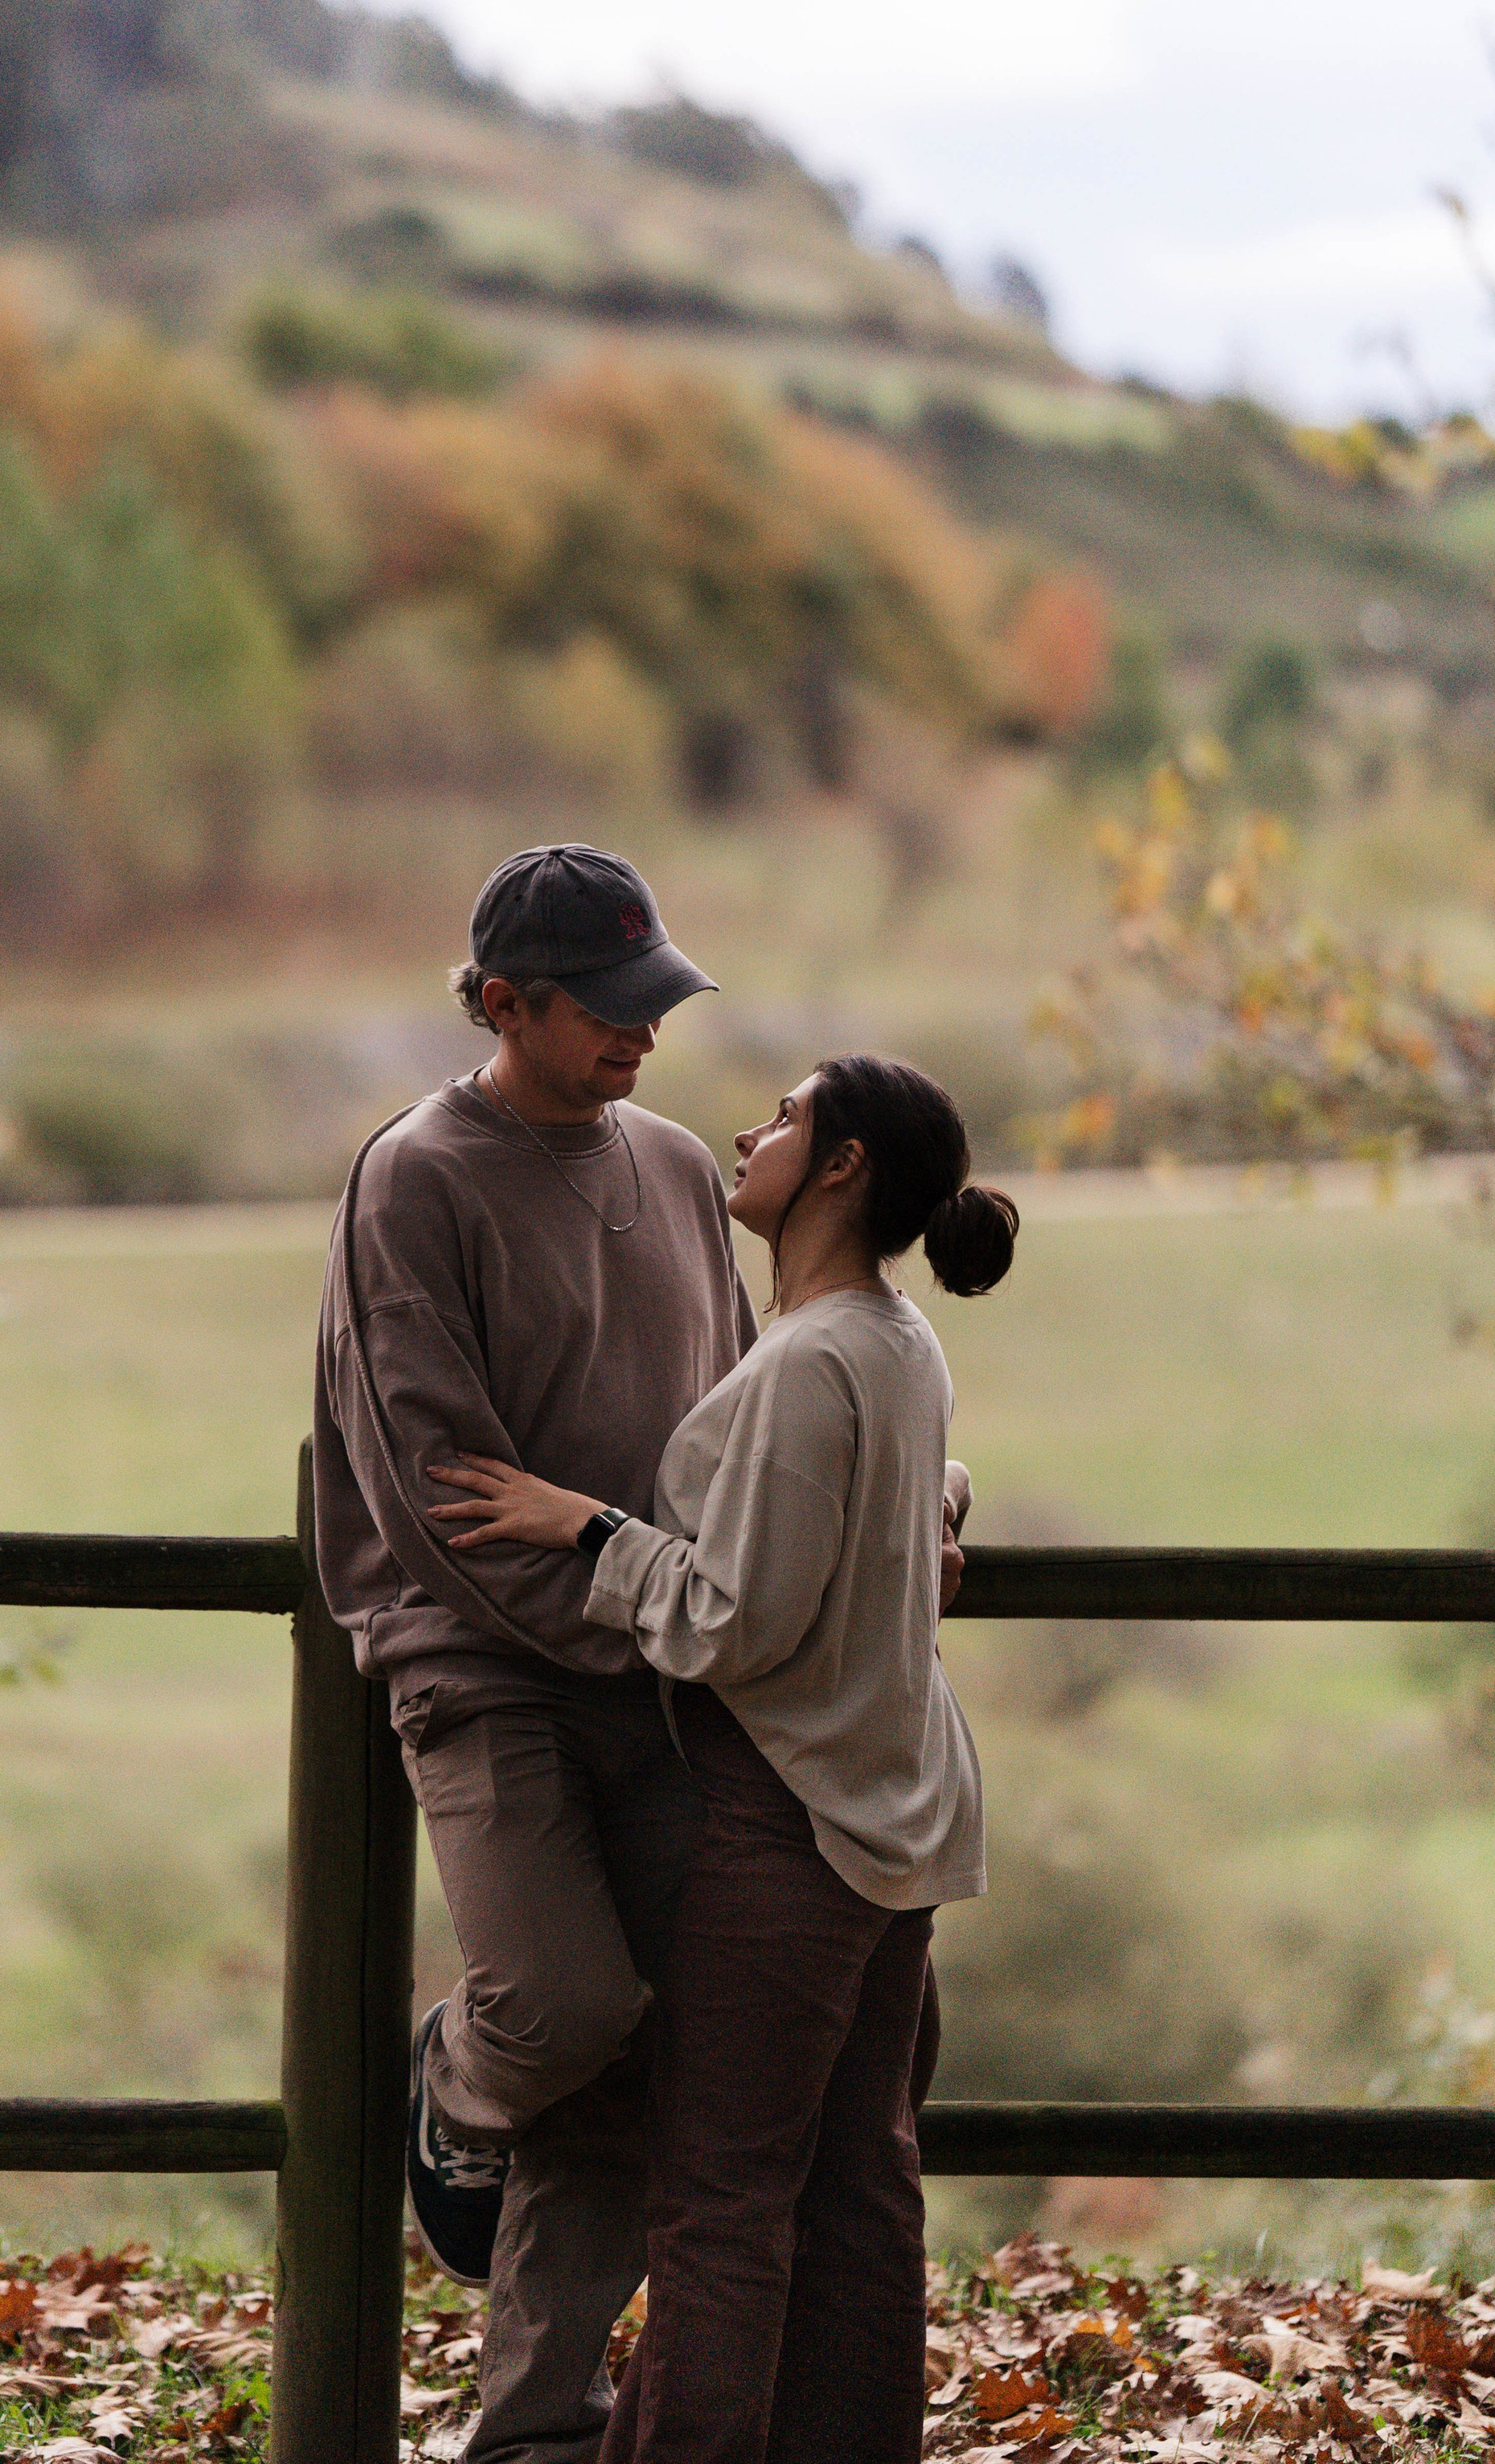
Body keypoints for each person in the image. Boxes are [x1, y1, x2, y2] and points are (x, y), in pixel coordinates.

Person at [428, 1055, 1014, 2464]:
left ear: (842, 1167)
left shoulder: (815, 1359)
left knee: (721, 2203)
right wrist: (929, 1502)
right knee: (859, 2192)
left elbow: (733, 1623)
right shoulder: (893, 1338)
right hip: (902, 1817)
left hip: (794, 1828)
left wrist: (580, 1525)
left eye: (786, 1117)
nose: (749, 1134)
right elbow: (880, 1487)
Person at [313, 843, 756, 2464]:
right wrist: (650, 1611)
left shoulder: (667, 1168)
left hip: (661, 1658)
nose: (642, 1034)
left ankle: (534, 2436)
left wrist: (900, 1490)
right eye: (606, 1008)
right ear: (504, 1003)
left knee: (638, 2057)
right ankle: (456, 2076)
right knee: (559, 2012)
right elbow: (433, 1480)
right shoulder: (416, 1177)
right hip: (486, 1667)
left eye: (655, 1000)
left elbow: (747, 1414)